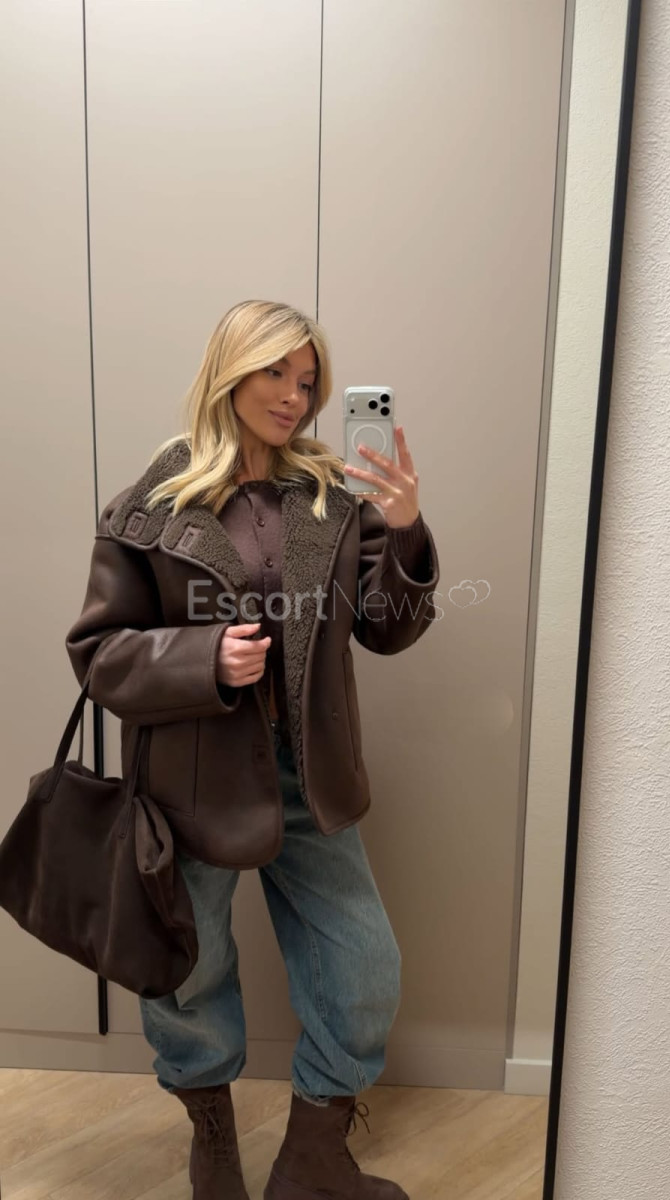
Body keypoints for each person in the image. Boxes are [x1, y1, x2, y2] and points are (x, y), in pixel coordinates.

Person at [65, 299, 440, 1200]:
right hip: (190, 785)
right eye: (276, 372)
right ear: (231, 369)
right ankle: (215, 1147)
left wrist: (406, 527)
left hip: (309, 775)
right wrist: (203, 660)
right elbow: (99, 652)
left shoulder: (333, 497)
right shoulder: (149, 504)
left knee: (362, 966)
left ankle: (313, 1160)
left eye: (307, 381)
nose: (294, 396)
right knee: (190, 974)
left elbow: (387, 629)